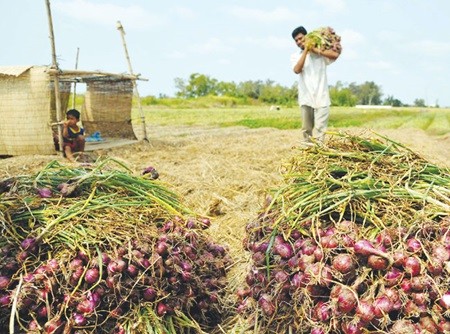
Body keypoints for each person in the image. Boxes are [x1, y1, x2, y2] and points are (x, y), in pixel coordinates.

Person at [290, 26, 340, 145]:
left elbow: (335, 55)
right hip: (306, 98)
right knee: (306, 129)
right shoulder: (295, 56)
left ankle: (318, 154)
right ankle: (308, 153)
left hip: (322, 97)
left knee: (320, 130)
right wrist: (306, 50)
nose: (299, 42)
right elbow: (297, 69)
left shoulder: (320, 53)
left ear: (307, 37)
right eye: (296, 40)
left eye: (301, 39)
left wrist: (315, 49)